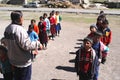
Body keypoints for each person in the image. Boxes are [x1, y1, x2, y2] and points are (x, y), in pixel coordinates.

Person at [1, 10, 42, 80]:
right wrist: (38, 44)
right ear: (20, 18)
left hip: (13, 60)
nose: (23, 19)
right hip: (23, 62)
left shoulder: (8, 28)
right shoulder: (20, 30)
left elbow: (4, 41)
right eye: (22, 17)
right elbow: (27, 45)